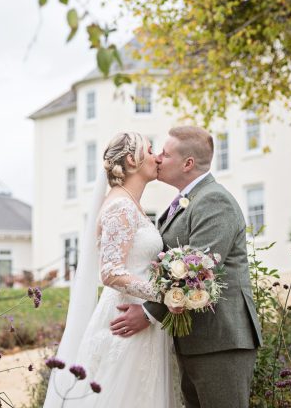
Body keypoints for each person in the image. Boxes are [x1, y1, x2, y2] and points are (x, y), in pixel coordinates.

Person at [109, 125, 263, 408]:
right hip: (193, 339)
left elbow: (198, 271)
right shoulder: (186, 201)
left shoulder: (214, 200)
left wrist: (147, 313)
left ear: (188, 163)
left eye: (165, 155)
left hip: (221, 340)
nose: (157, 159)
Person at [44, 131, 183, 408]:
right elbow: (110, 272)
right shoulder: (120, 206)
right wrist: (164, 293)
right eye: (151, 149)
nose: (158, 157)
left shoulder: (130, 203)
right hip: (126, 320)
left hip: (140, 318)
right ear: (132, 160)